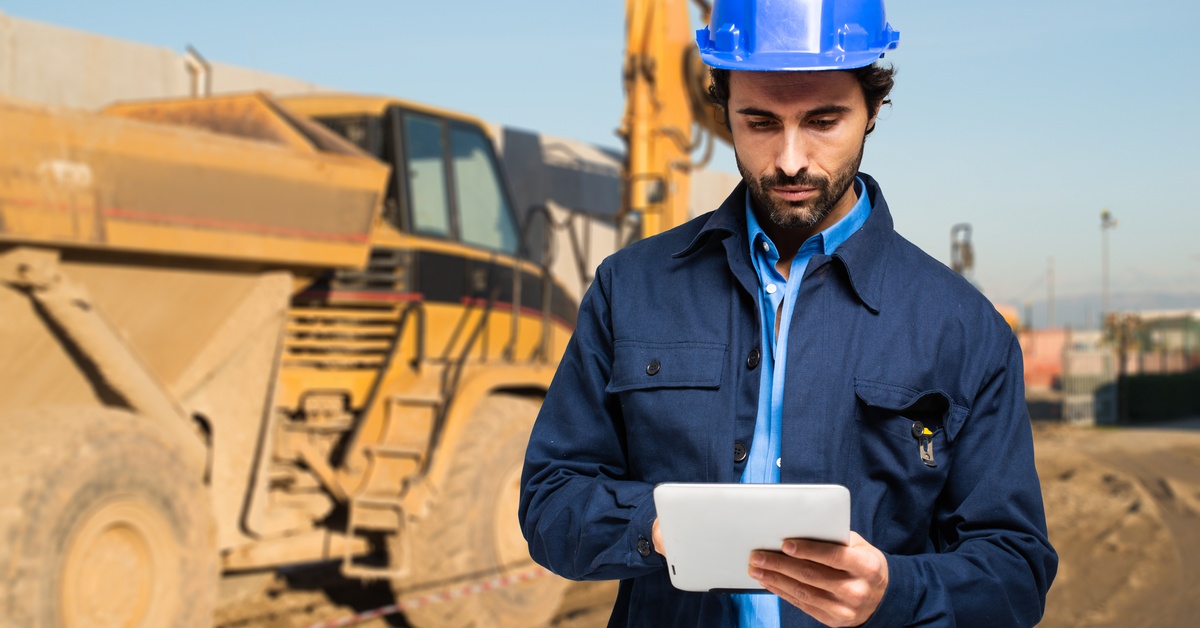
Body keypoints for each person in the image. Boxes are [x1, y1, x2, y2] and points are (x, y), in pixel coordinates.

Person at [519, 1, 1057, 625]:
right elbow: (550, 503)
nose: (791, 160)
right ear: (723, 109)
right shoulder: (630, 288)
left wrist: (893, 591)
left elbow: (1015, 570)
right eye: (760, 122)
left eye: (823, 120)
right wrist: (660, 527)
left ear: (873, 108)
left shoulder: (962, 326)